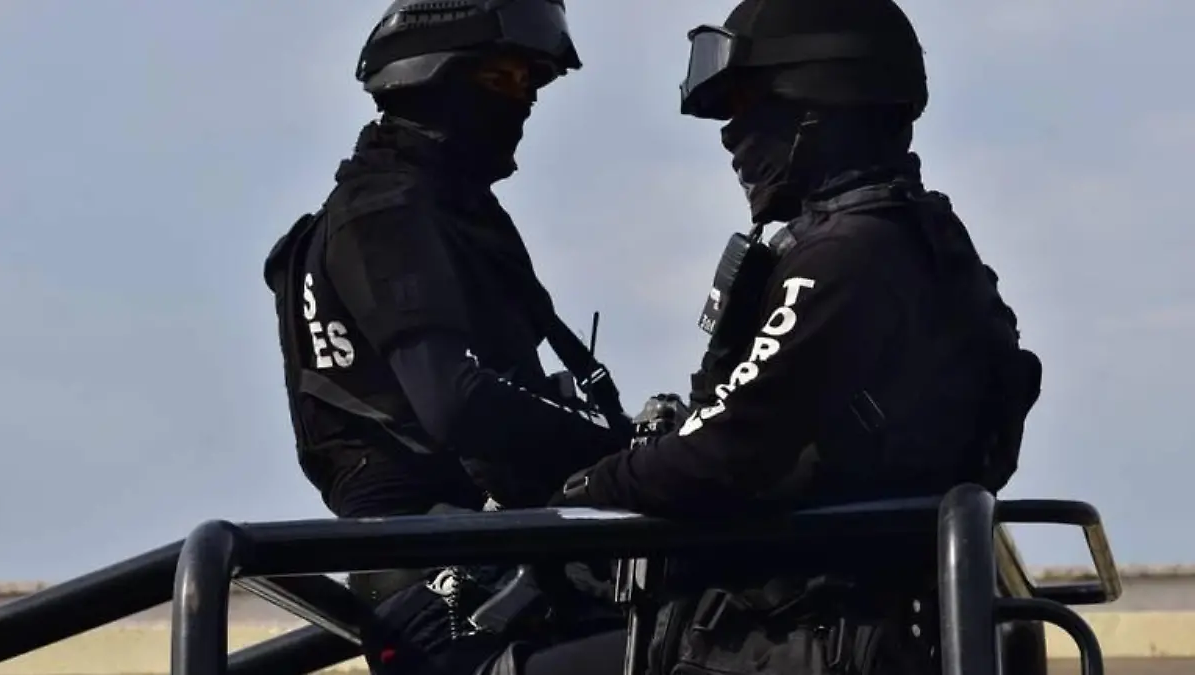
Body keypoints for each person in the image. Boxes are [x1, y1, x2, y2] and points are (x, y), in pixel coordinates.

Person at [355, 0, 1047, 673]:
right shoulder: (921, 239)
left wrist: (581, 491)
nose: (730, 138)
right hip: (848, 615)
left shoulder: (847, 256)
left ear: (816, 102)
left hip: (811, 632)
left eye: (745, 106)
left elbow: (728, 443)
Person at [262, 0, 634, 604]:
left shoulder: (453, 210)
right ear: (430, 79)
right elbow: (455, 403)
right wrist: (620, 452)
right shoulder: (383, 212)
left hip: (497, 544)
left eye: (529, 83)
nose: (523, 102)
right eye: (500, 79)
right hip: (441, 572)